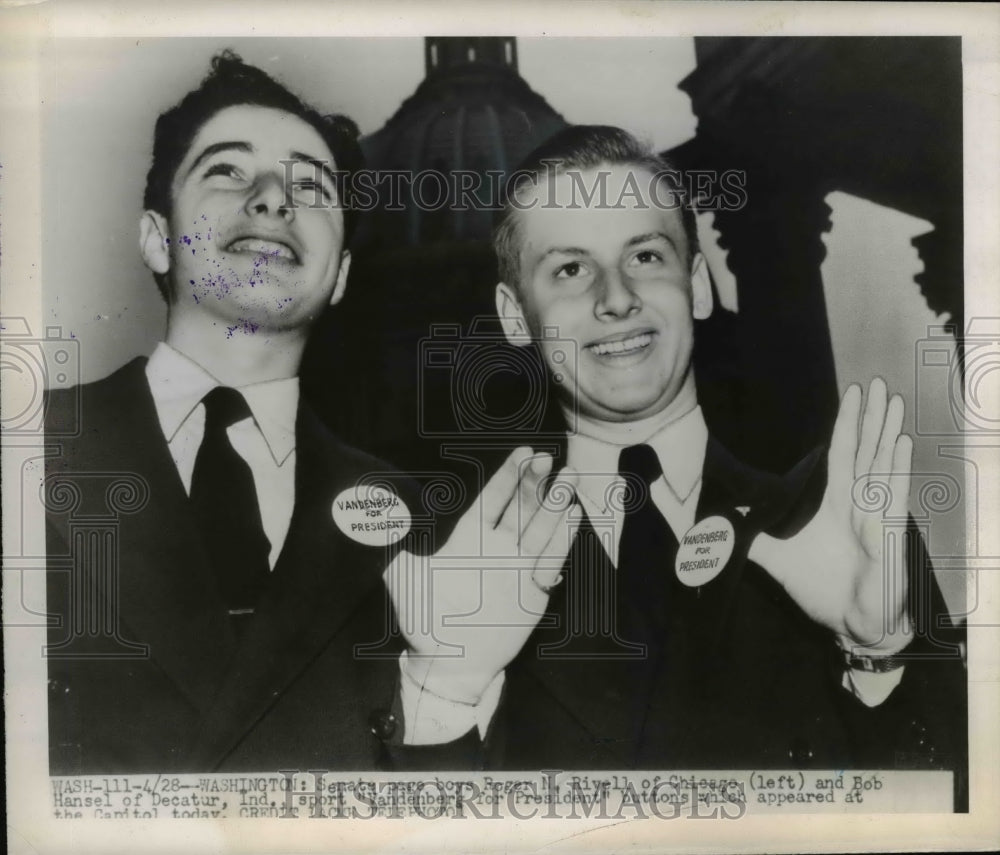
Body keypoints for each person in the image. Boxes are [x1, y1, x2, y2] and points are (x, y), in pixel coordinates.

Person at [394, 126, 967, 801]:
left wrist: (876, 657)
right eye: (570, 268)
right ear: (515, 316)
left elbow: (957, 814)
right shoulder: (449, 568)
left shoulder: (839, 524)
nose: (615, 297)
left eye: (644, 255)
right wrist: (444, 693)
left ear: (697, 285)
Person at [43, 52, 573, 774]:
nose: (272, 198)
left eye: (311, 186)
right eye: (227, 170)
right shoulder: (27, 449)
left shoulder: (434, 535)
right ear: (156, 236)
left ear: (343, 273)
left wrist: (448, 685)